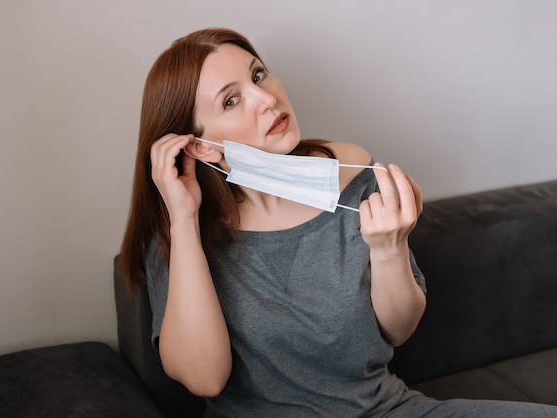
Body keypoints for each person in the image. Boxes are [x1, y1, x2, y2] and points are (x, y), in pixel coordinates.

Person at [120, 28, 557, 417]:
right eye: (231, 100)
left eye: (258, 75)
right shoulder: (182, 233)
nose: (267, 98)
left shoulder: (350, 172)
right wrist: (182, 218)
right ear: (201, 148)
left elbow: (398, 331)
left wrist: (390, 250)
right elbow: (205, 380)